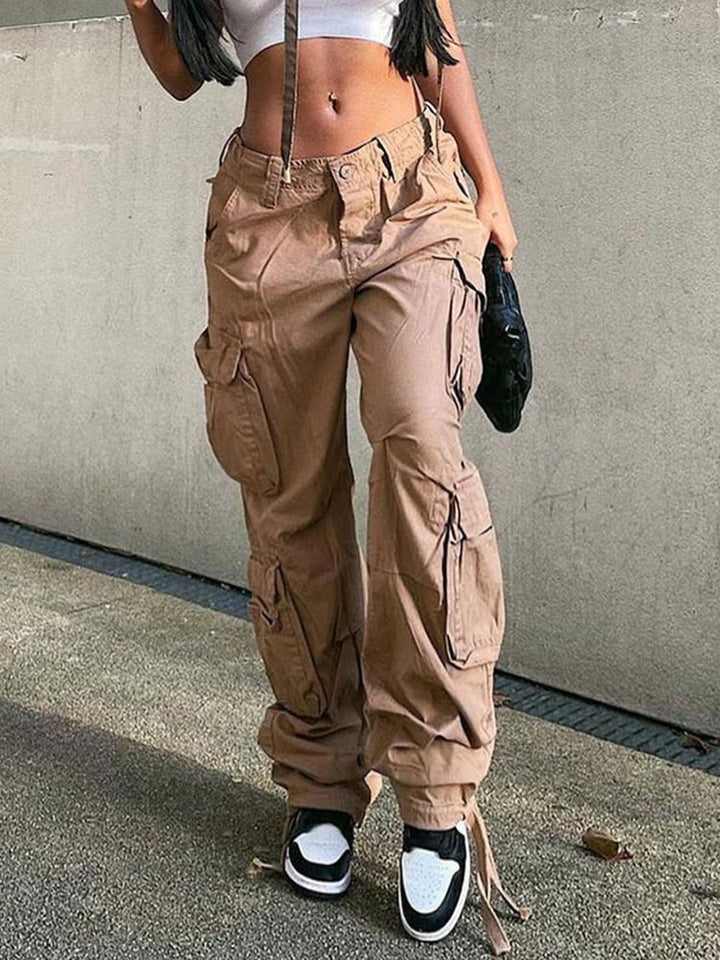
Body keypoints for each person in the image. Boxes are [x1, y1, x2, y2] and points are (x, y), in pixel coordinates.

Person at [125, 0, 531, 952]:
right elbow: (182, 70)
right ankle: (320, 772)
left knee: (423, 452)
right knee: (289, 501)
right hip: (266, 216)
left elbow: (433, 36)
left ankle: (435, 785)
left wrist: (489, 184)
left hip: (408, 198)